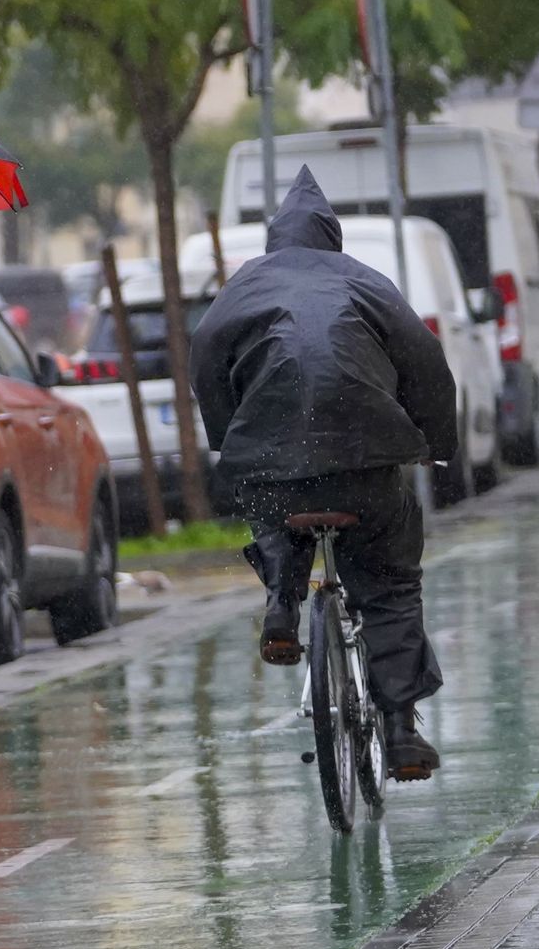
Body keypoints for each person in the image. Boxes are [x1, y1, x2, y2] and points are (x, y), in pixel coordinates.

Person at [190, 166, 454, 781]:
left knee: (274, 502)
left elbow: (205, 354)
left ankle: (282, 605)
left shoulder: (244, 286)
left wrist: (232, 440)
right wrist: (432, 442)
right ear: (331, 239)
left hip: (275, 471)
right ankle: (399, 729)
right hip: (366, 466)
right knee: (388, 582)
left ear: (275, 239)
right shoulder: (366, 283)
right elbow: (425, 359)